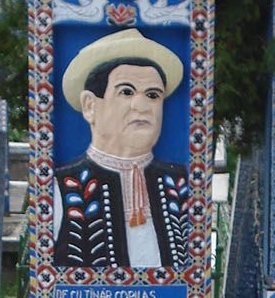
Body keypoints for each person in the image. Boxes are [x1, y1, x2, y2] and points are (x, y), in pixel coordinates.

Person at [53, 27, 188, 270]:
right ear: (90, 106)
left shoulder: (182, 185)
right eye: (126, 92)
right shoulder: (60, 188)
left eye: (153, 95)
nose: (143, 106)